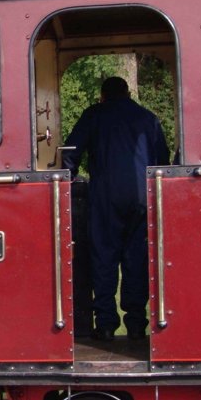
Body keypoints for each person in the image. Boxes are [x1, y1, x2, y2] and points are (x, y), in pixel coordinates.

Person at [62, 76, 170, 341]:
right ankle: (136, 324)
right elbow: (163, 161)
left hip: (106, 196)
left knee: (104, 259)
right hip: (141, 197)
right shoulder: (148, 118)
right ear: (128, 92)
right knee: (137, 260)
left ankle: (107, 324)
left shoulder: (94, 115)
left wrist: (69, 176)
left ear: (103, 95)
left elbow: (70, 153)